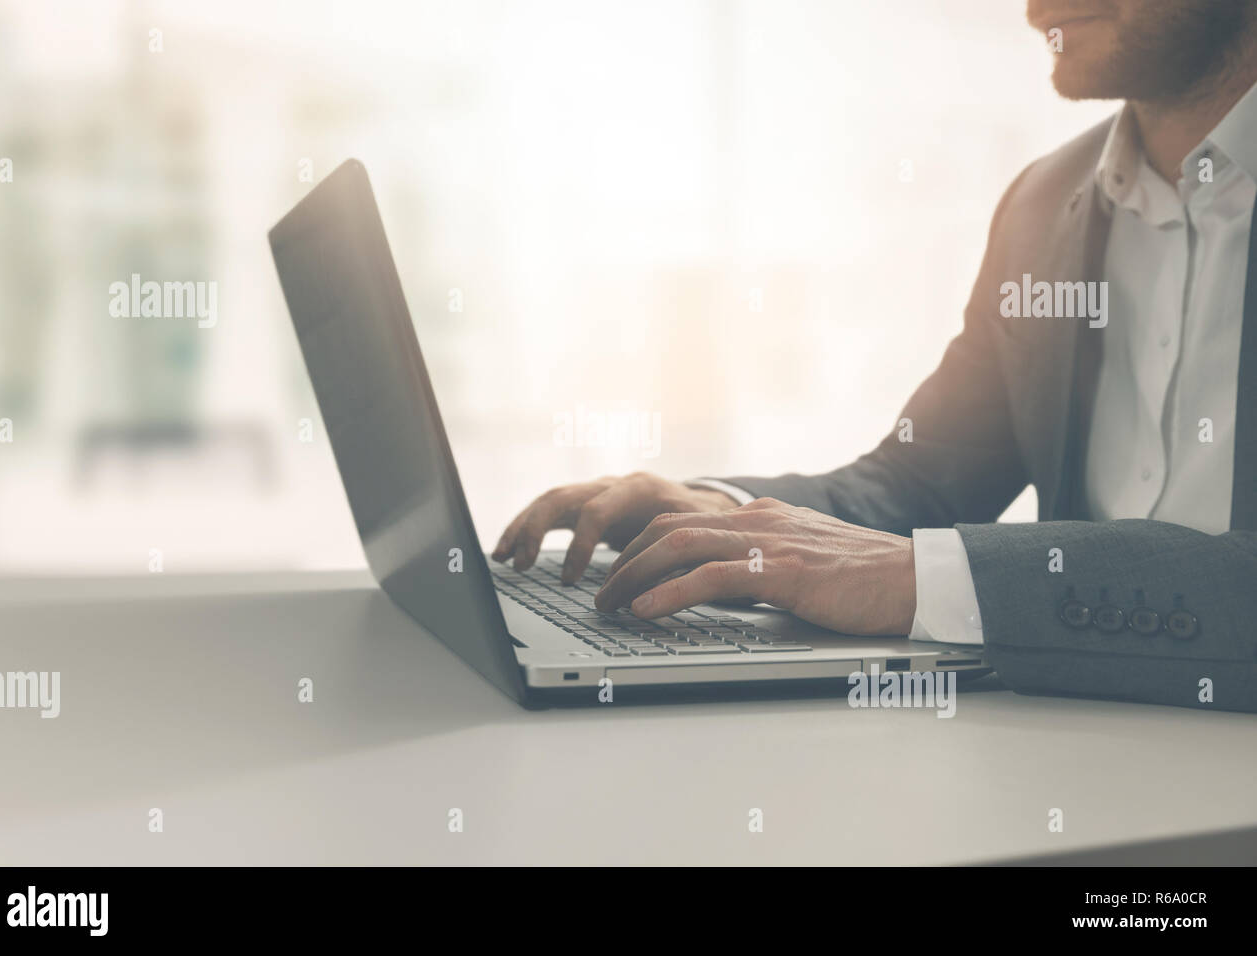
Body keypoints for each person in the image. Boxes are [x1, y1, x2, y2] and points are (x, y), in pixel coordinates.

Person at [493, 0, 1257, 713]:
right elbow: (920, 481)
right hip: (1073, 736)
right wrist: (723, 515)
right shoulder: (1044, 202)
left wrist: (931, 579)